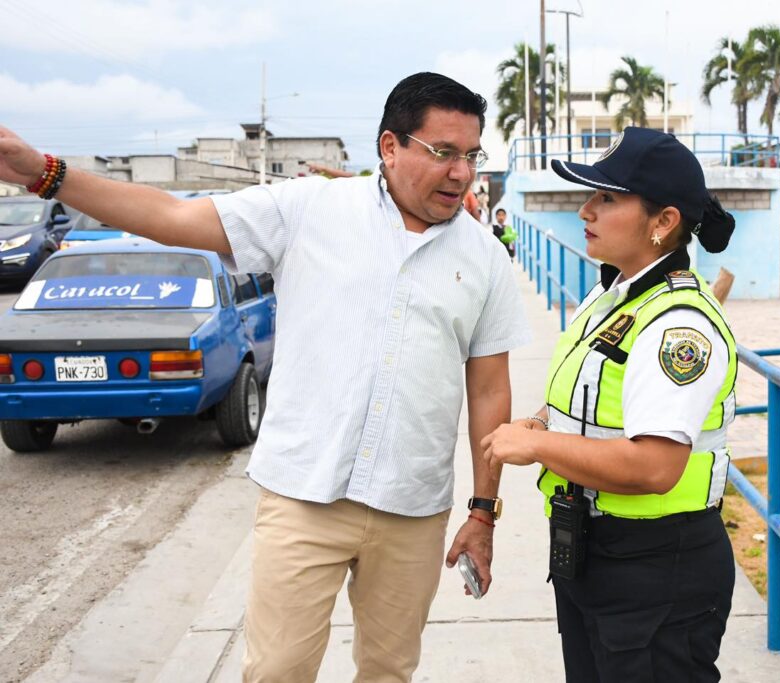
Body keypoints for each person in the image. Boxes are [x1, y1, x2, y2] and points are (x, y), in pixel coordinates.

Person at [0, 71, 531, 683]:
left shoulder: (484, 257)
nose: (461, 173)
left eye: (471, 155)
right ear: (391, 146)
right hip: (304, 496)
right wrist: (45, 173)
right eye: (443, 152)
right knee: (276, 671)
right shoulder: (309, 209)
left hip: (412, 508)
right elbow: (171, 215)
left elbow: (489, 390)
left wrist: (483, 513)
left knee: (390, 671)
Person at [481, 127, 738, 682]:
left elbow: (655, 467)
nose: (585, 210)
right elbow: (593, 396)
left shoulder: (679, 325)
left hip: (655, 568)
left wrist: (537, 446)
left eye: (607, 198)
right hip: (594, 551)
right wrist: (542, 422)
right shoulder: (612, 293)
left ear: (663, 221)